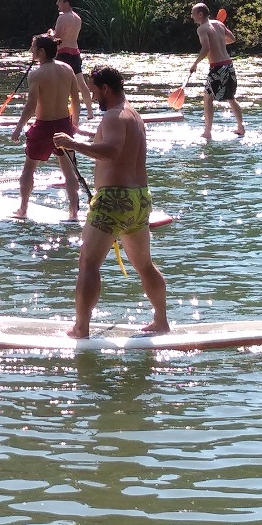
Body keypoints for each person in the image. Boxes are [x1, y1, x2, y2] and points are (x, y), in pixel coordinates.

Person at [53, 65, 170, 339]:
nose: (93, 97)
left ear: (106, 88)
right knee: (144, 265)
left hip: (114, 199)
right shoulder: (133, 115)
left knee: (88, 263)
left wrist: (73, 145)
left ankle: (81, 328)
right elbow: (112, 144)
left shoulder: (114, 117)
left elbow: (112, 151)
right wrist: (77, 139)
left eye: (94, 91)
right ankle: (161, 321)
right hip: (139, 198)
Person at [10, 34, 81, 219]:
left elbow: (31, 105)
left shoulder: (36, 74)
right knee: (69, 170)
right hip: (64, 124)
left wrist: (19, 126)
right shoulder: (68, 69)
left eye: (33, 48)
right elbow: (75, 98)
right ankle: (73, 212)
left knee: (28, 168)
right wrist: (75, 123)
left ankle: (23, 208)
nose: (31, 51)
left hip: (43, 126)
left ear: (41, 52)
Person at [189, 2, 245, 140]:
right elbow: (232, 39)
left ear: (200, 14)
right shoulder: (219, 24)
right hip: (229, 65)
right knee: (230, 97)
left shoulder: (201, 29)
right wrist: (219, 41)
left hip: (217, 67)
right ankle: (241, 127)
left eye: (193, 13)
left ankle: (207, 132)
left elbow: (206, 48)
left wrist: (195, 63)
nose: (192, 16)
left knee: (208, 98)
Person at [48, 0, 94, 119]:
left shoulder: (62, 17)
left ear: (66, 3)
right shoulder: (77, 18)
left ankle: (59, 112)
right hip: (75, 53)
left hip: (64, 54)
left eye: (59, 1)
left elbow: (58, 37)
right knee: (81, 84)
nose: (57, 3)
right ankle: (90, 112)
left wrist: (50, 33)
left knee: (60, 85)